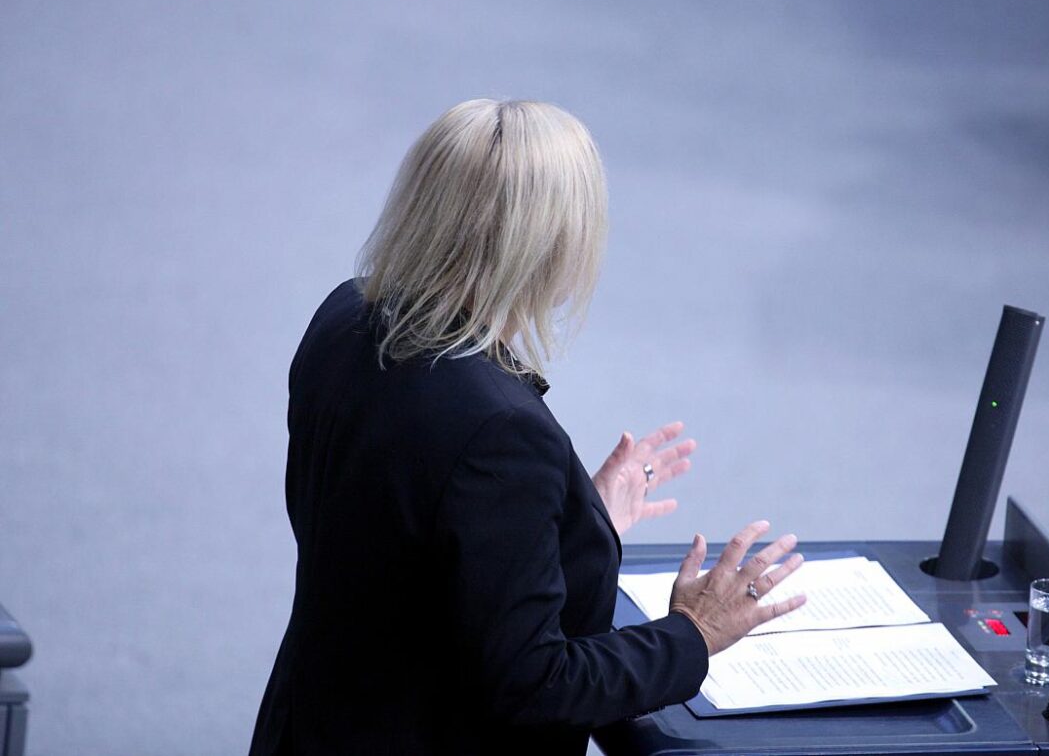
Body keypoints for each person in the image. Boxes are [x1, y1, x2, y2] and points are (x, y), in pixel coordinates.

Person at [248, 99, 807, 755]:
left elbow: (403, 536)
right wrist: (693, 631)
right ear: (554, 249)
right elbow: (535, 682)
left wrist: (573, 522)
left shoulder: (343, 318)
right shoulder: (501, 434)